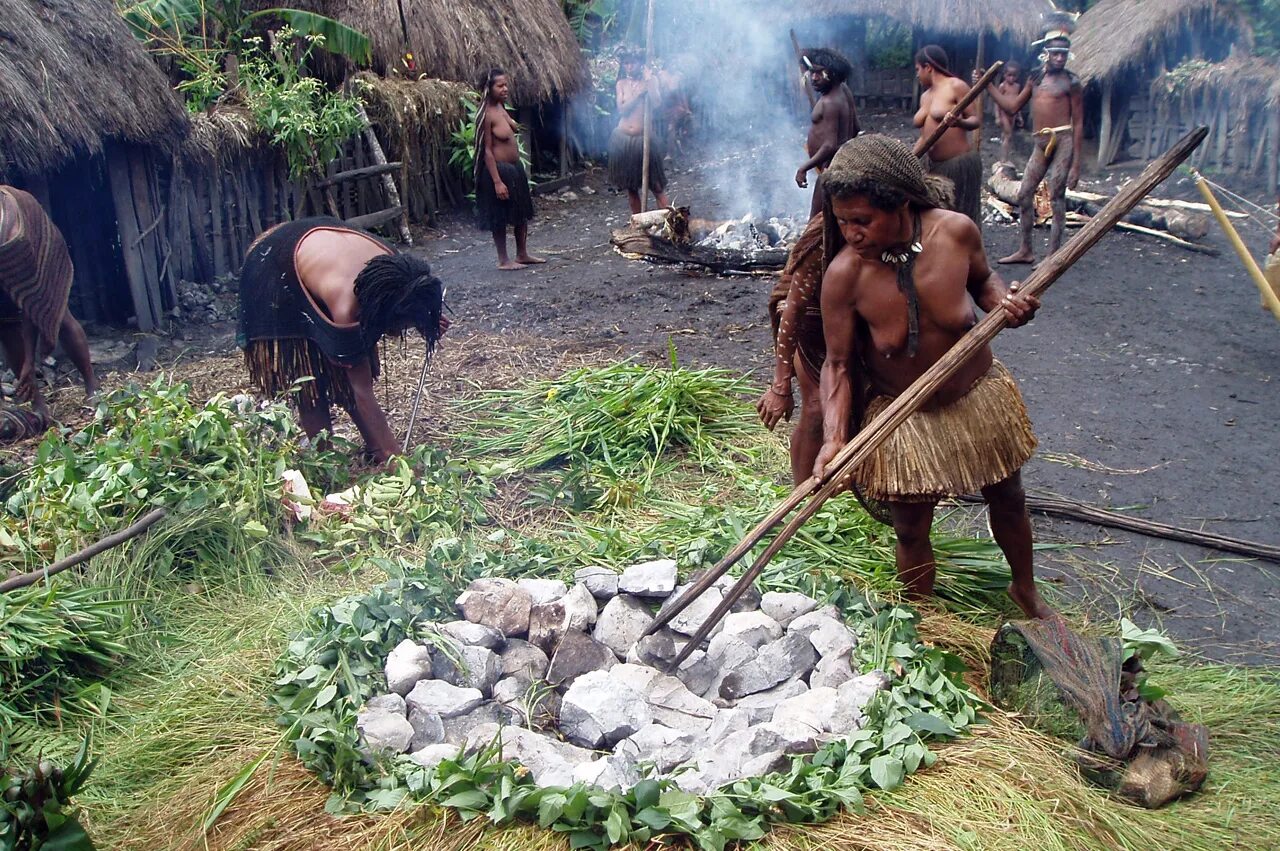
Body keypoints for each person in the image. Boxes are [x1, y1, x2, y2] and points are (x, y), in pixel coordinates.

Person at [812, 135, 1054, 619]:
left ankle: (1025, 590)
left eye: (863, 221)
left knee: (1008, 497)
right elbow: (837, 364)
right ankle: (921, 620)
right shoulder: (844, 276)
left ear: (901, 202)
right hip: (905, 416)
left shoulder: (956, 233)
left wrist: (1005, 302)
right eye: (843, 221)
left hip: (977, 399)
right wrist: (833, 439)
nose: (851, 233)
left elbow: (984, 281)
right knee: (910, 528)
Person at [238, 218, 447, 464]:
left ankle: (376, 448)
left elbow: (406, 309)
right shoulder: (347, 306)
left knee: (350, 372)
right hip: (274, 271)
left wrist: (426, 321)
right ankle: (326, 459)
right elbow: (362, 391)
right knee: (310, 381)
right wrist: (397, 460)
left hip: (318, 248)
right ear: (380, 311)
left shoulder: (398, 272)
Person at [987, 28, 1084, 264]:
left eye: (1064, 54)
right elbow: (1012, 107)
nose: (1060, 58)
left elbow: (1078, 122)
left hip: (1063, 140)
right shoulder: (1035, 79)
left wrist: (1075, 165)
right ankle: (1026, 250)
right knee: (1024, 193)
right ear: (1046, 53)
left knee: (1056, 196)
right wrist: (988, 86)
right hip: (1039, 141)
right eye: (1056, 53)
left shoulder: (1071, 82)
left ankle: (1053, 255)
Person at [0, 184, 97, 418]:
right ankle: (38, 404)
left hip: (39, 252)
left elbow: (32, 305)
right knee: (6, 327)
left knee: (60, 316)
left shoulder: (15, 238)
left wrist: (30, 363)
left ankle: (92, 385)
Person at [474, 68, 542, 271]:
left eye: (506, 85)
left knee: (521, 212)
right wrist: (497, 181)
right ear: (489, 88)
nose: (505, 89)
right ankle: (503, 260)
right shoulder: (485, 114)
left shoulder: (501, 107)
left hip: (514, 169)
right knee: (500, 215)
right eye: (500, 85)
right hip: (499, 172)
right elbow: (486, 150)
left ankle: (522, 254)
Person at [913, 45, 983, 226]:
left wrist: (959, 122)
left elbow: (975, 120)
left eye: (918, 69)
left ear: (928, 67)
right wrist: (910, 158)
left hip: (958, 164)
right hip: (934, 165)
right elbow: (925, 136)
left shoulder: (956, 86)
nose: (917, 74)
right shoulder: (925, 96)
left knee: (958, 217)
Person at [795, 48, 859, 217]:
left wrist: (804, 168)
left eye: (819, 73)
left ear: (833, 74)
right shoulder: (843, 90)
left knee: (816, 220)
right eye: (812, 72)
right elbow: (856, 128)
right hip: (842, 162)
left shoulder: (830, 102)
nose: (813, 78)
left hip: (831, 167)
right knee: (832, 217)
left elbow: (830, 145)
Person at [610, 49, 672, 214]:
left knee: (657, 186)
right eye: (626, 63)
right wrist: (638, 94)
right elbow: (622, 109)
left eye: (633, 63)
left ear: (641, 64)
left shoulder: (651, 81)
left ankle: (671, 224)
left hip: (644, 140)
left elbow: (657, 103)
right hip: (622, 139)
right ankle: (639, 224)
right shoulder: (621, 84)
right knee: (631, 188)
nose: (629, 66)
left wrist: (649, 81)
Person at [994, 61, 1026, 163]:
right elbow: (997, 102)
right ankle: (1004, 159)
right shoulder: (1003, 86)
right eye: (1009, 75)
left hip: (1013, 114)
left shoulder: (1017, 87)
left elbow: (1018, 102)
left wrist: (1019, 116)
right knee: (1008, 135)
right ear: (1004, 75)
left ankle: (1003, 154)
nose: (1011, 78)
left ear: (1018, 76)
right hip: (1004, 113)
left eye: (1014, 76)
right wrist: (997, 116)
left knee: (1006, 135)